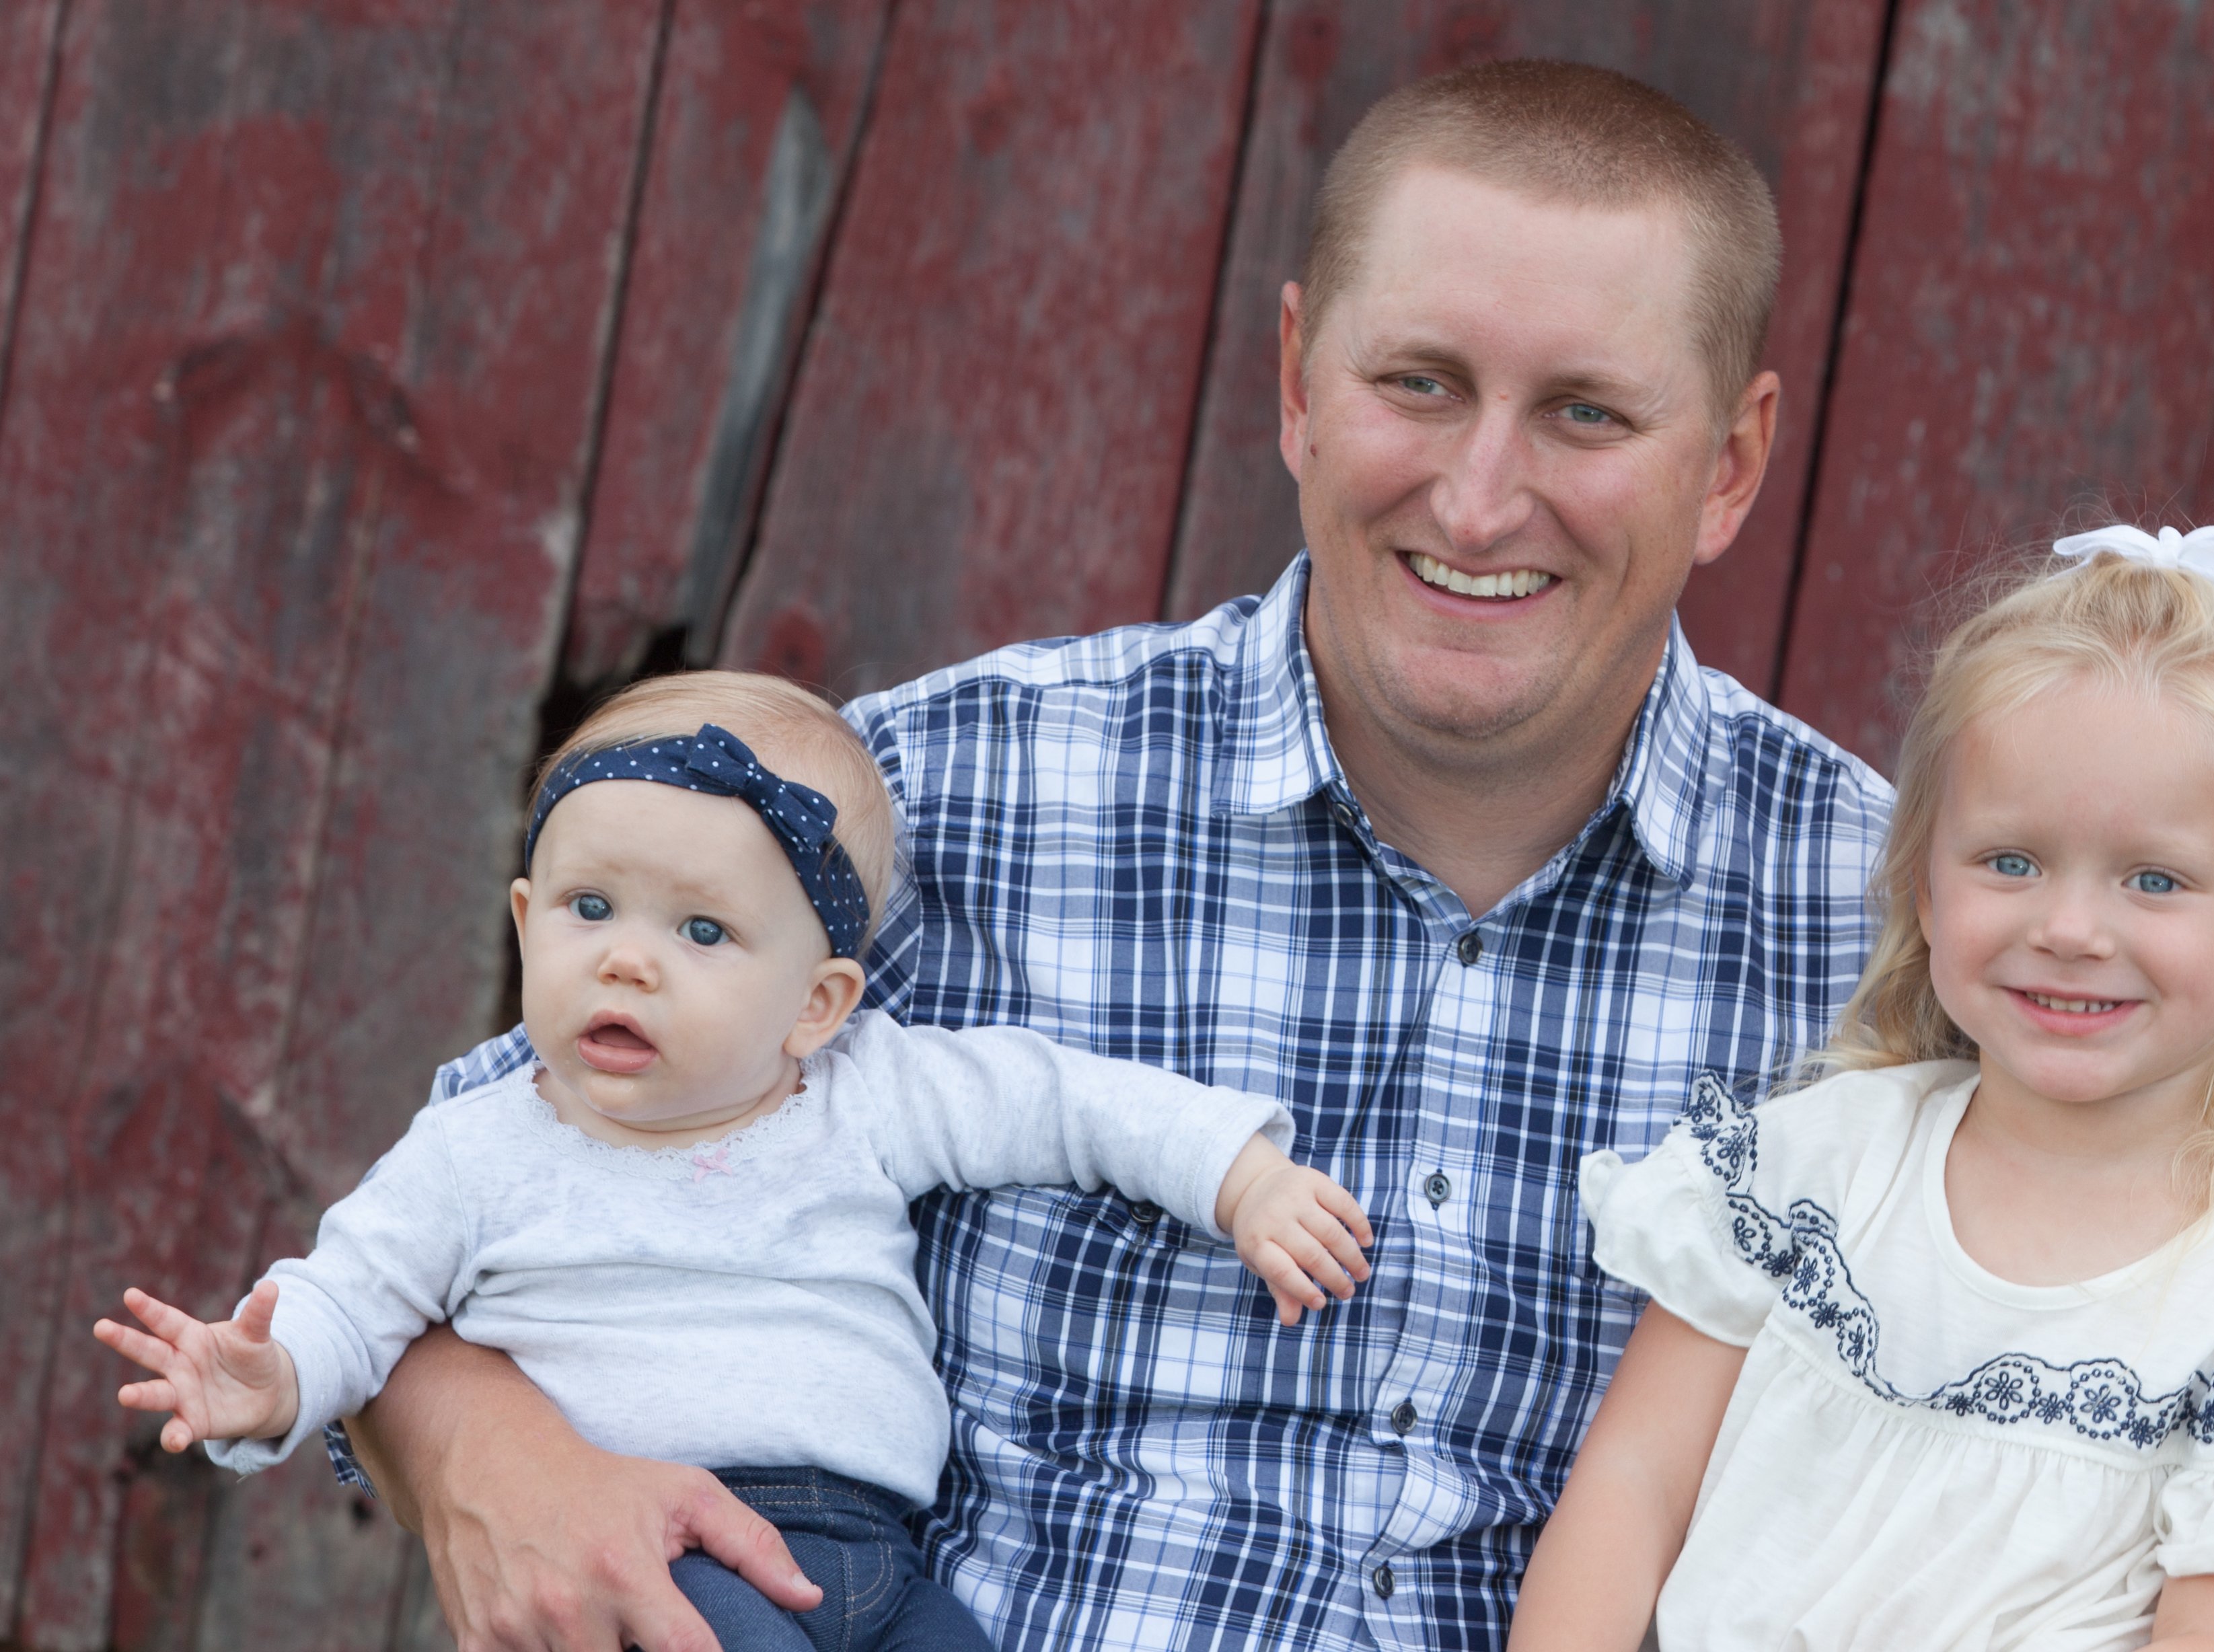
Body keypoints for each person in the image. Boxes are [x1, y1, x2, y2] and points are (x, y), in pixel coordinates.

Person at [335, 63, 2214, 1652]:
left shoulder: (1924, 934)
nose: (1483, 491)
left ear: (1734, 463)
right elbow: (481, 1173)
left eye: (1586, 415)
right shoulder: (948, 794)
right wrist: (463, 1434)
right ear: (1292, 385)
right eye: (1417, 383)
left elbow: (2203, 1423)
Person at [94, 672, 1372, 1652]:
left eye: (702, 929)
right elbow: (352, 1297)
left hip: (879, 1558)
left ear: (816, 1003)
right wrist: (264, 1378)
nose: (628, 959)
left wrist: (1241, 1178)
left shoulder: (867, 1094)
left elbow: (1063, 1102)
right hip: (658, 1554)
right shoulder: (480, 1148)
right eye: (591, 910)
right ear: (528, 921)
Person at [1514, 528, 2214, 1651]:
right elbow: (1633, 1485)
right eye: (2010, 861)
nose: (2069, 930)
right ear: (1924, 882)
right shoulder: (1812, 1170)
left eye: (2154, 880)